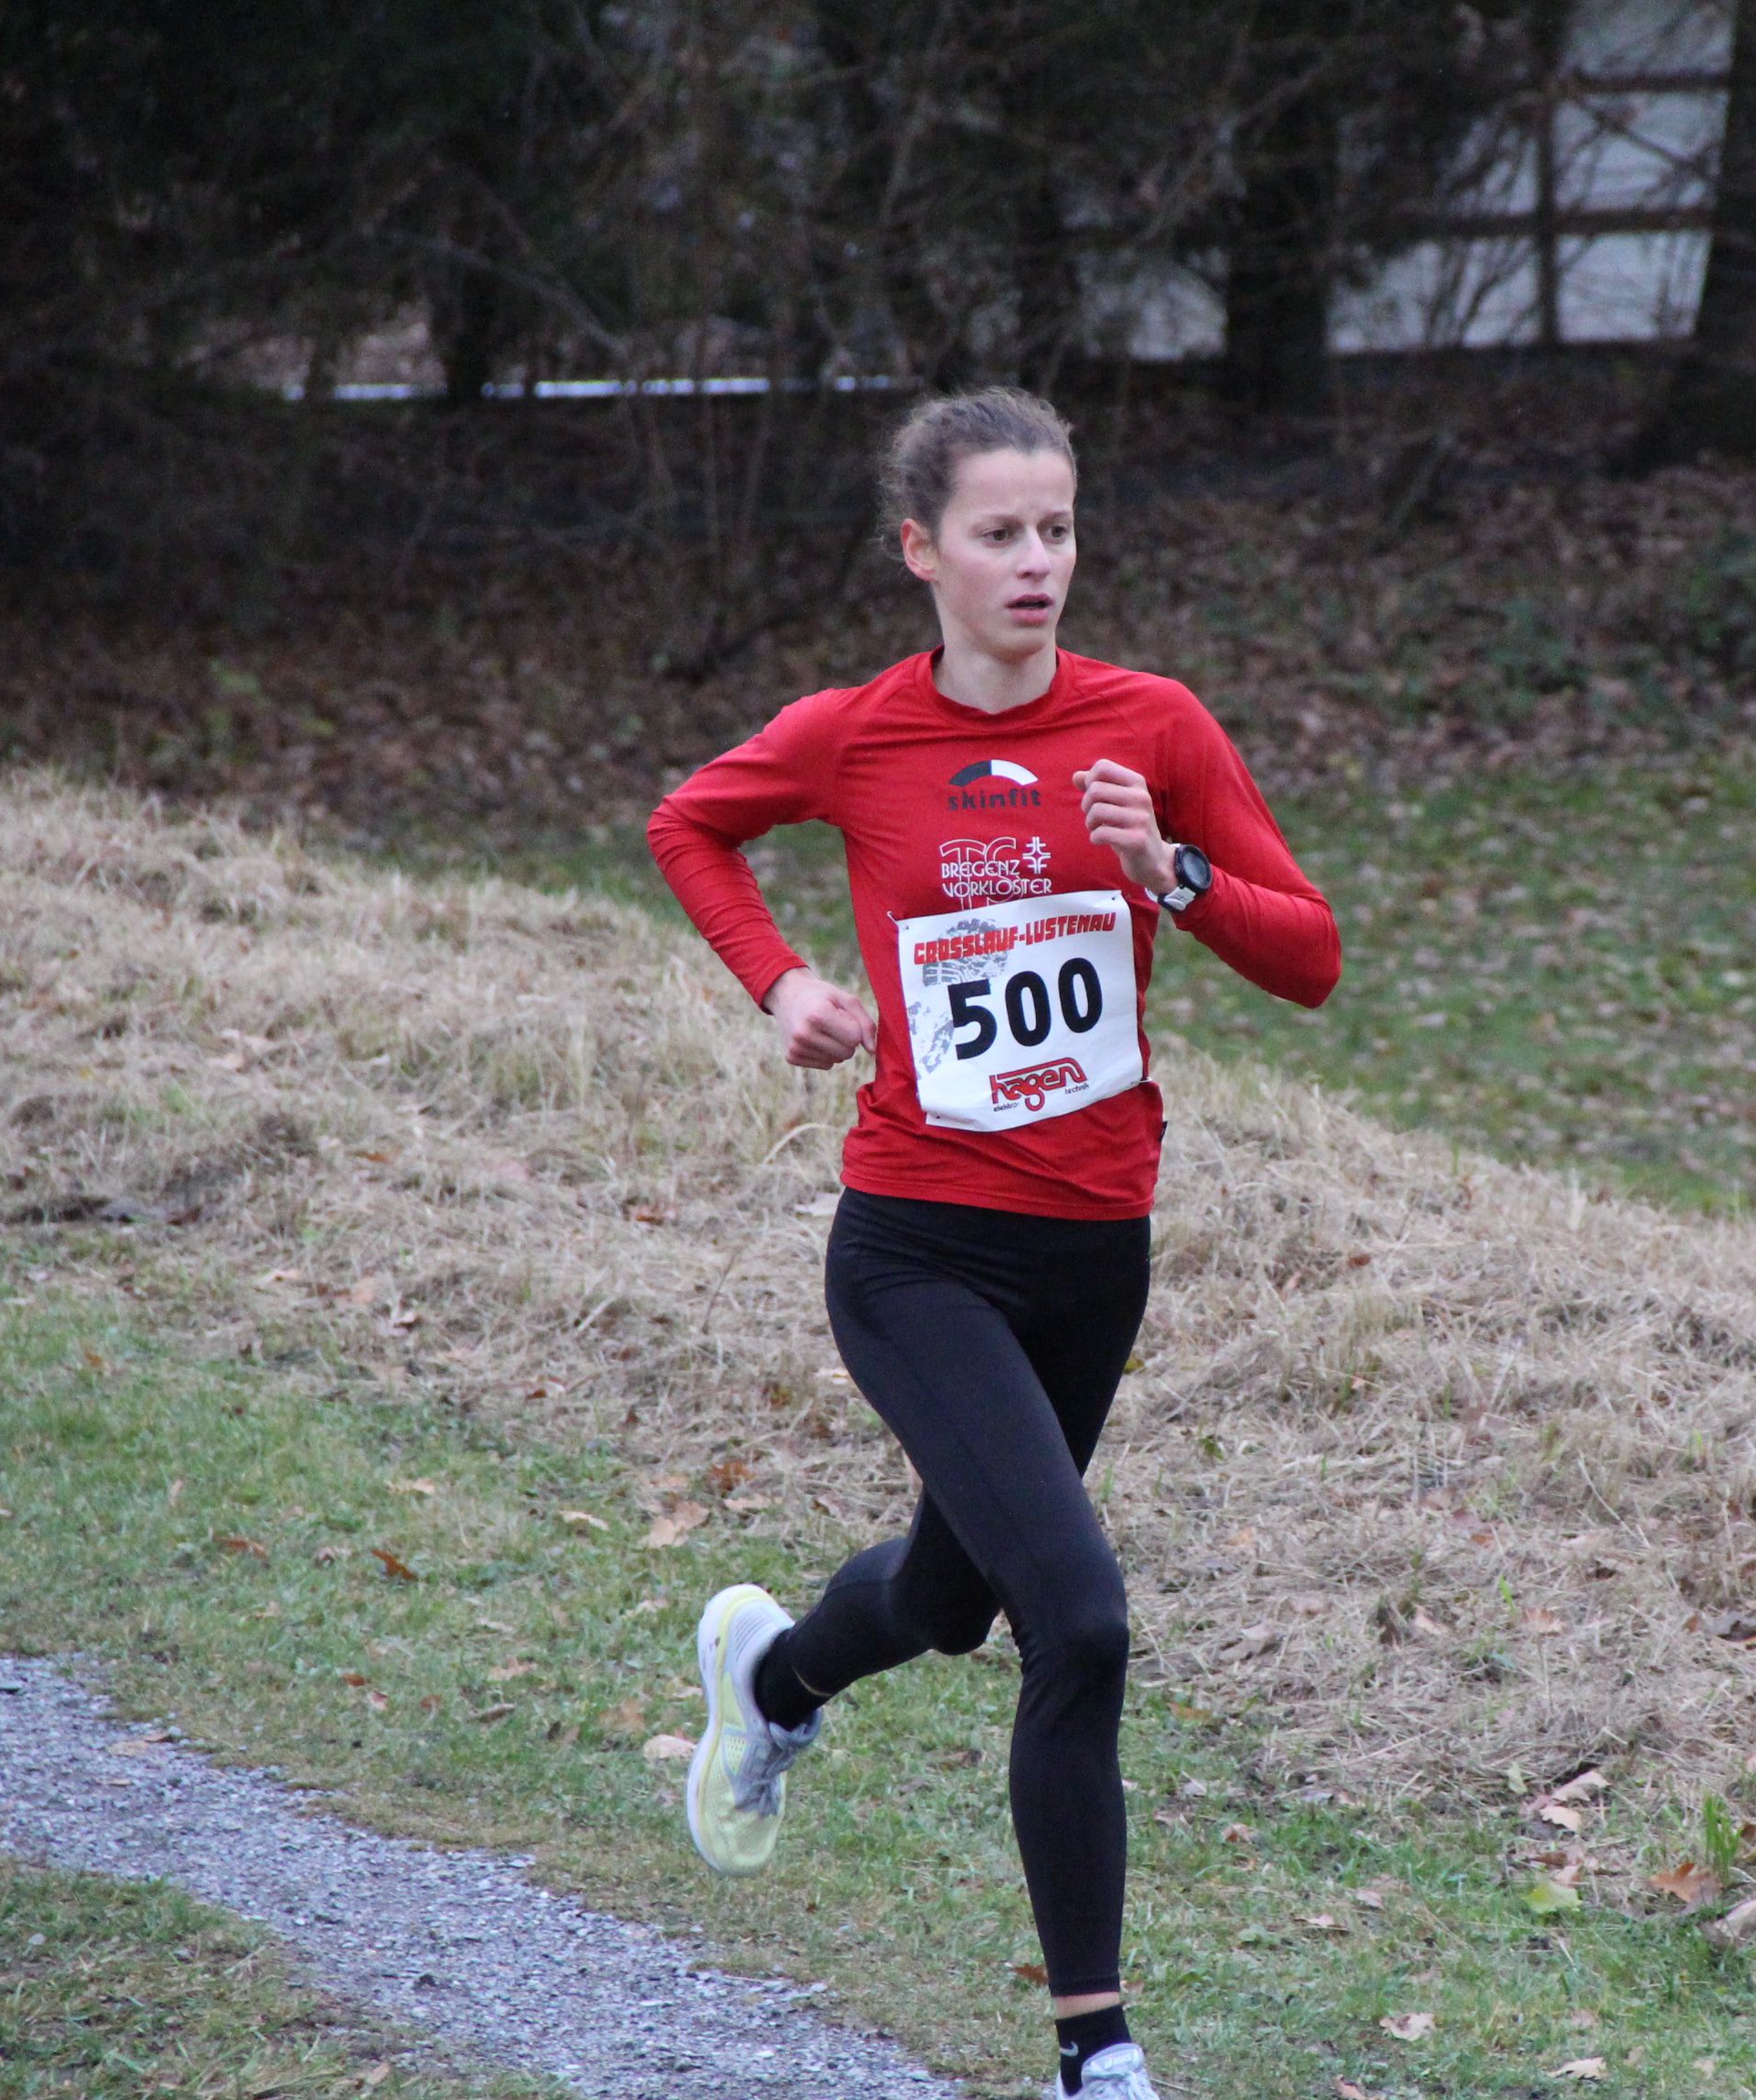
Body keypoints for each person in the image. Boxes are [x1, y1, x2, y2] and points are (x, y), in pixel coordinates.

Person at [645, 386, 1340, 2100]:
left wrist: (1169, 870)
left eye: (1059, 529)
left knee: (953, 1600)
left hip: (1095, 1253)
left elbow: (1312, 957)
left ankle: (775, 1675)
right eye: (1000, 533)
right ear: (922, 551)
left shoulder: (1152, 727)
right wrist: (784, 985)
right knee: (1078, 1621)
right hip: (917, 1251)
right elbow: (690, 826)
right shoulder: (855, 736)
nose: (1038, 562)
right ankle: (1097, 2055)